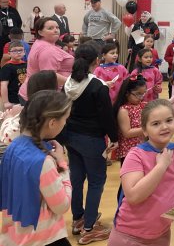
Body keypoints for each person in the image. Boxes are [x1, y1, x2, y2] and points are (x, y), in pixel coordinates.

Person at [108, 100, 174, 246]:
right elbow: (134, 196)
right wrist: (161, 166)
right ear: (144, 130)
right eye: (155, 124)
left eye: (169, 120)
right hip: (129, 235)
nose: (164, 127)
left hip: (161, 233)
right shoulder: (135, 155)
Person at [0, 90, 73, 246]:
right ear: (52, 122)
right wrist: (63, 165)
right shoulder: (43, 162)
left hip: (14, 234)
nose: (65, 123)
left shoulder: (12, 147)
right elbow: (62, 206)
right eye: (65, 119)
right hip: (42, 238)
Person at [63, 42, 118, 244]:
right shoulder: (97, 86)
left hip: (70, 136)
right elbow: (106, 117)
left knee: (76, 179)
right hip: (92, 139)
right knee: (96, 181)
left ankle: (78, 219)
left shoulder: (68, 83)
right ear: (97, 60)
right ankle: (89, 227)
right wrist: (114, 137)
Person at [19, 17, 74, 103]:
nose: (56, 30)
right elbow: (49, 76)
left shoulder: (41, 42)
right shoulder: (47, 49)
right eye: (50, 28)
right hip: (40, 97)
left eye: (57, 27)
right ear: (40, 32)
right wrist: (73, 83)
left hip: (36, 93)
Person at [1, 70, 58, 145]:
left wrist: (8, 118)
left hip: (25, 150)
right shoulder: (57, 107)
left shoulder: (28, 112)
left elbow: (7, 138)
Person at [113, 75, 147, 167]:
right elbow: (127, 133)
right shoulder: (124, 110)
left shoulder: (141, 105)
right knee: (129, 177)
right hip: (129, 151)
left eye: (143, 94)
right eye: (138, 94)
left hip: (142, 147)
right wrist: (147, 129)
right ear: (127, 93)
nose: (141, 97)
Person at [1, 40, 27, 109]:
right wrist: (6, 102)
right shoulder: (7, 67)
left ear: (24, 52)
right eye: (14, 51)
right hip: (12, 100)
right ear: (9, 53)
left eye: (20, 50)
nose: (18, 53)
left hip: (24, 98)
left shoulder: (26, 64)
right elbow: (3, 85)